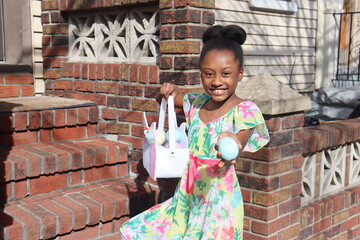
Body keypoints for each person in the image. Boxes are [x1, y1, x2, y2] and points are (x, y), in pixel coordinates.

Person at [120, 24, 270, 239]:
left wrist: (232, 141)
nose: (217, 81)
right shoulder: (196, 102)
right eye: (209, 74)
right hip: (189, 192)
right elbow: (165, 100)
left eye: (226, 74)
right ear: (201, 75)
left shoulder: (244, 110)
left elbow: (241, 140)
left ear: (240, 74)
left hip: (218, 199)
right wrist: (165, 92)